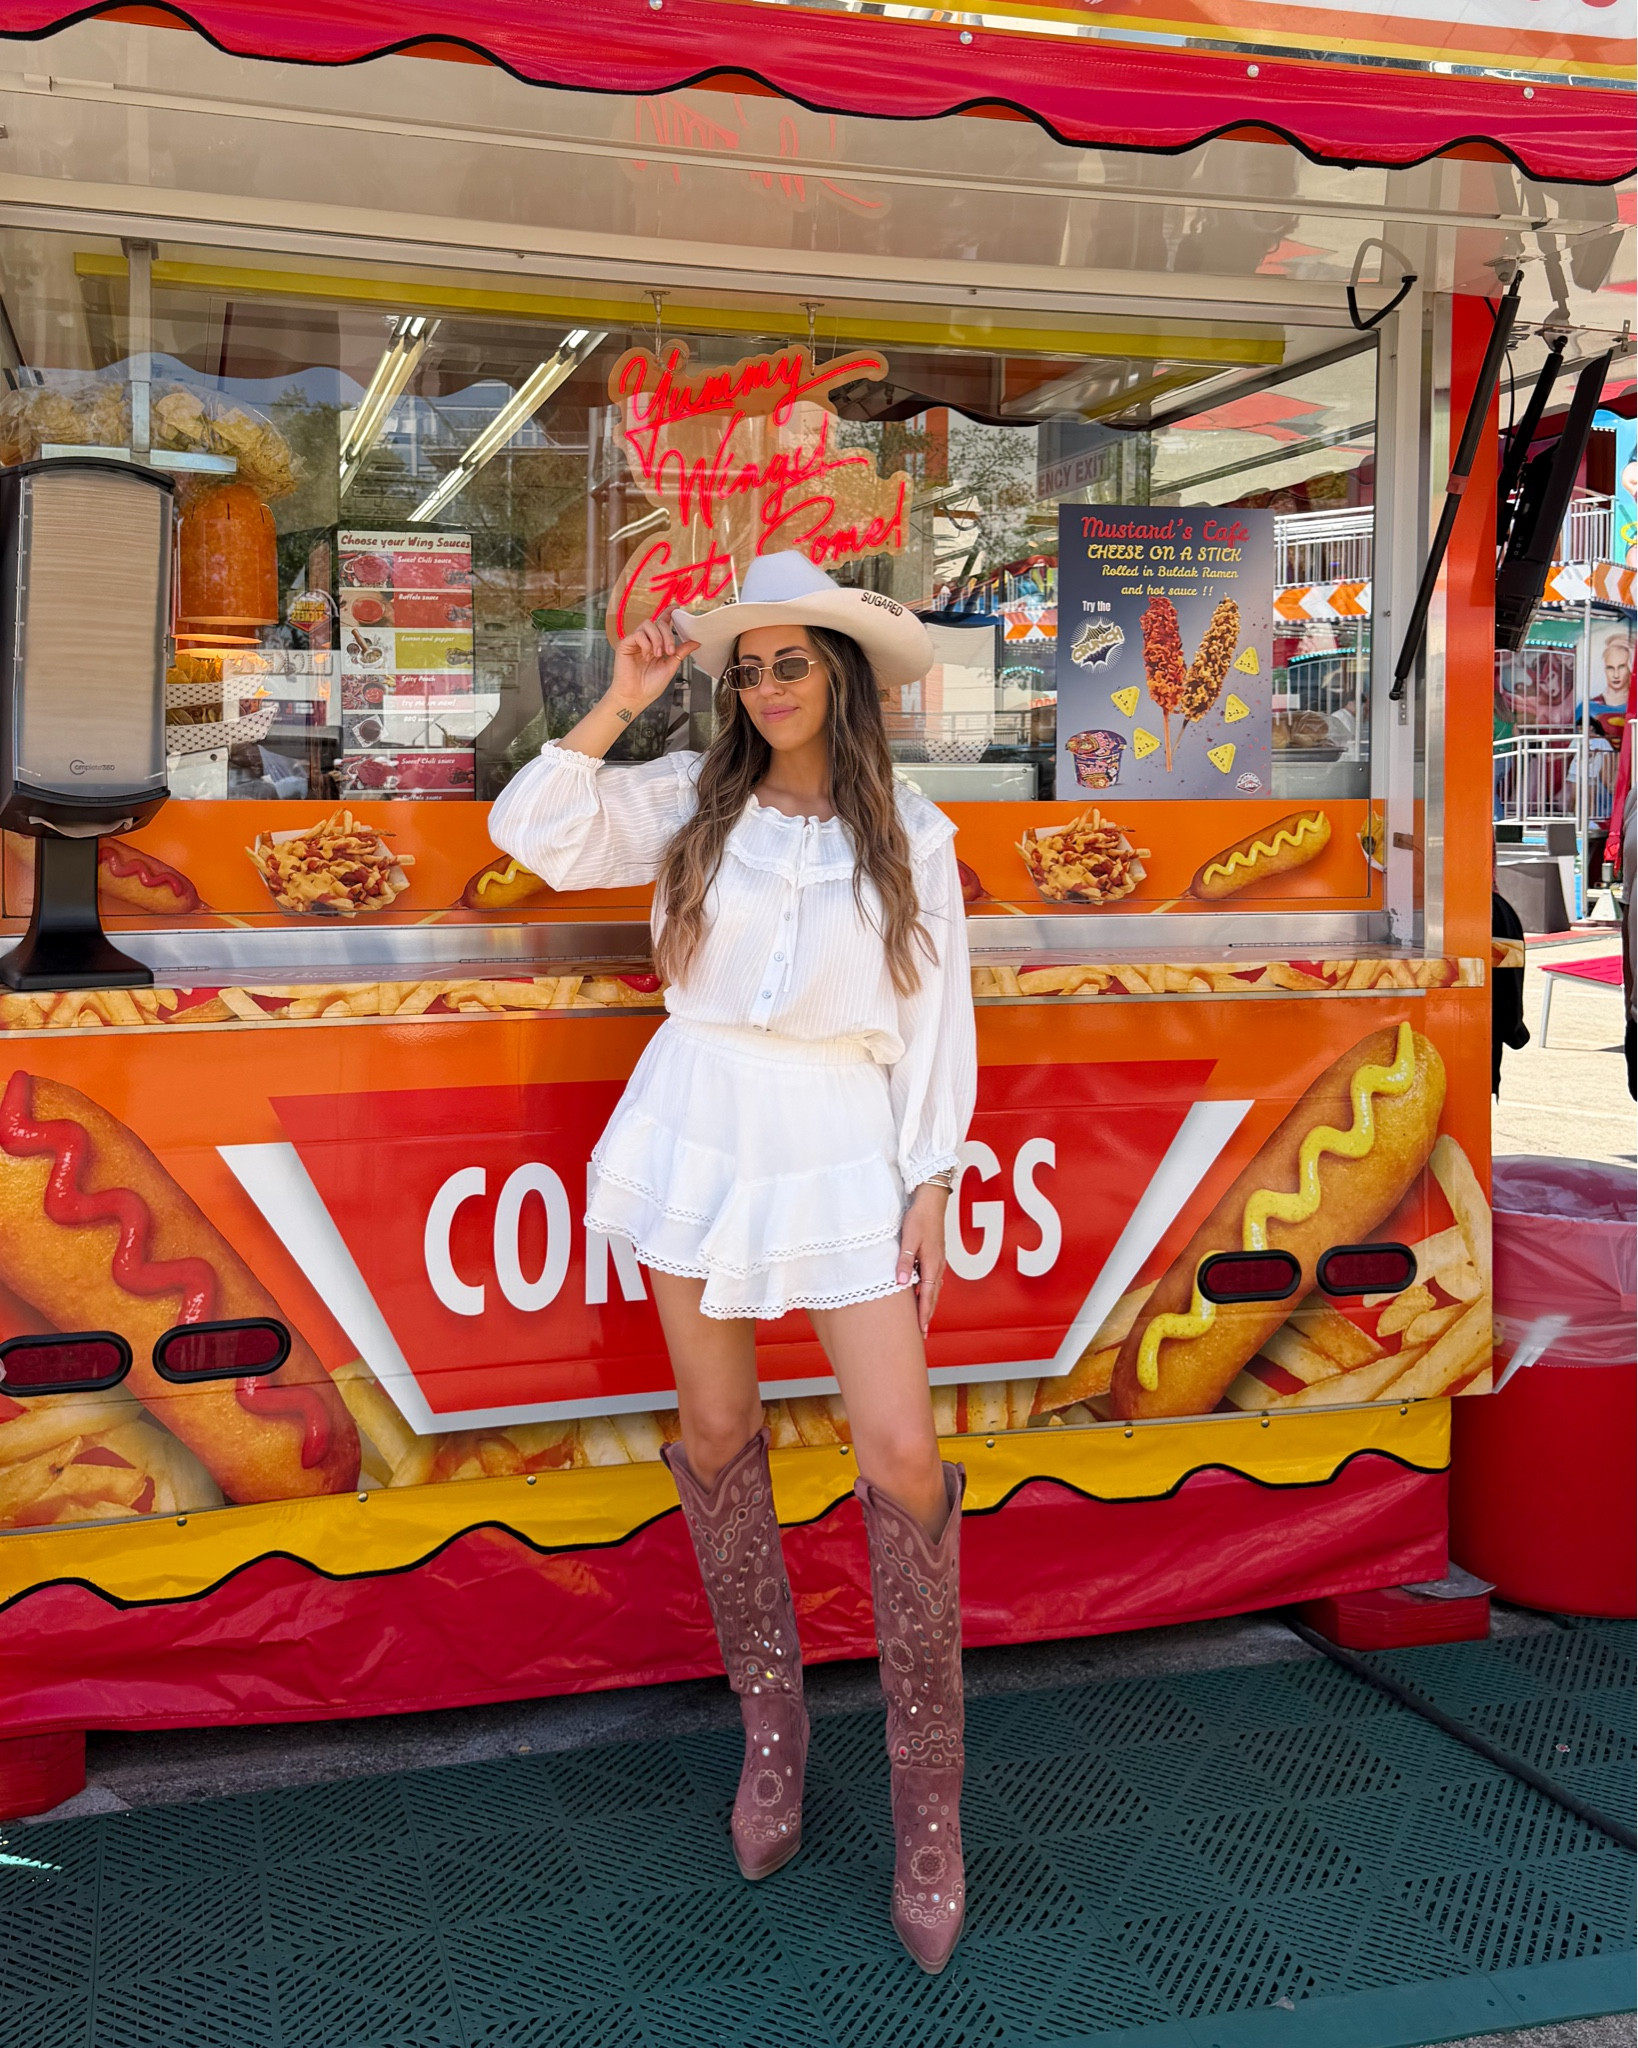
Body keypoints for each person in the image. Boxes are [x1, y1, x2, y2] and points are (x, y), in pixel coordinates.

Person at [489, 552, 977, 1973]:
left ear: (842, 677)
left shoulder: (915, 838)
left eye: (789, 664)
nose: (764, 689)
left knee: (898, 1451)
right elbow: (534, 829)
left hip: (840, 1129)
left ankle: (927, 1809)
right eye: (745, 668)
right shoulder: (686, 803)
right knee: (715, 1428)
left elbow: (938, 1023)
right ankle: (773, 1733)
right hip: (699, 1116)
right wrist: (623, 700)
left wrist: (928, 1181)